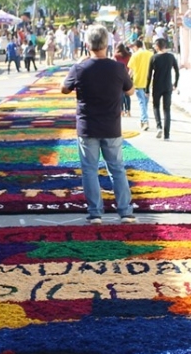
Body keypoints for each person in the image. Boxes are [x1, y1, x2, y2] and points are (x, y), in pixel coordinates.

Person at [61, 24, 136, 225]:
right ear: (107, 44)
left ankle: (95, 213)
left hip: (88, 128)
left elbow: (64, 89)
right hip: (112, 127)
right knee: (117, 169)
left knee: (89, 170)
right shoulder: (118, 68)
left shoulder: (79, 68)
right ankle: (125, 212)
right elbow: (130, 92)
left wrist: (77, 65)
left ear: (87, 45)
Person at [146, 37, 180, 140]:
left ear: (157, 46)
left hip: (157, 86)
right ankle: (167, 135)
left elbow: (149, 75)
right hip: (168, 86)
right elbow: (177, 71)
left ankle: (159, 126)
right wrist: (175, 84)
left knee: (156, 106)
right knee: (167, 110)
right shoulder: (171, 57)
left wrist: (147, 89)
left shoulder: (154, 58)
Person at [127, 39, 153, 131]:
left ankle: (145, 121)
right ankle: (143, 120)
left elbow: (131, 70)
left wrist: (126, 80)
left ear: (135, 47)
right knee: (145, 103)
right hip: (149, 82)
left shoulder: (135, 55)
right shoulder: (150, 54)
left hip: (138, 82)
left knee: (142, 103)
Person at [113, 43, 132, 117]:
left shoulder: (116, 56)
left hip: (118, 75)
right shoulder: (128, 55)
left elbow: (113, 64)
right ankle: (128, 111)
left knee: (120, 94)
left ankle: (121, 111)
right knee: (127, 94)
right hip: (127, 75)